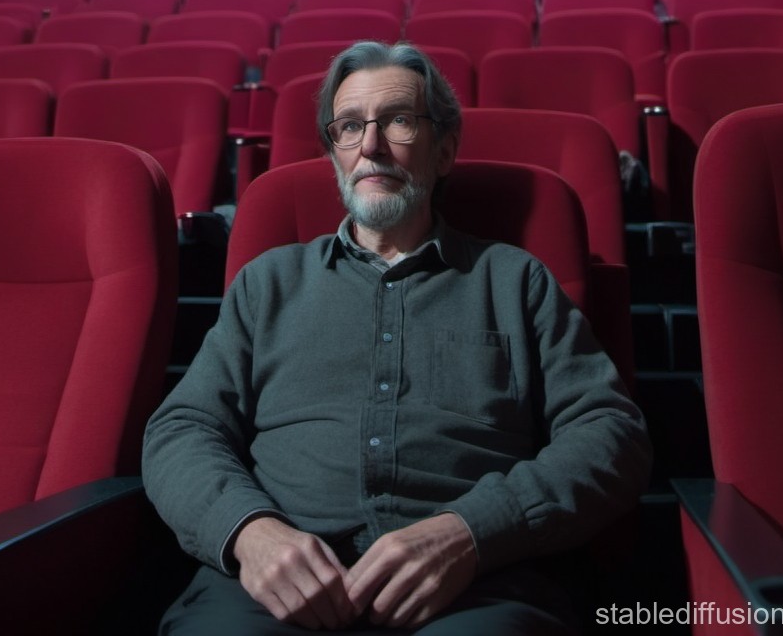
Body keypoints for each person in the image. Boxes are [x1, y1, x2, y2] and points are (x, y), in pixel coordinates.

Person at [142, 40, 651, 634]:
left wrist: (472, 531)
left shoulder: (516, 281)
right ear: (334, 153)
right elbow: (182, 429)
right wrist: (250, 532)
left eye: (399, 121)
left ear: (444, 150)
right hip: (272, 589)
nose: (371, 147)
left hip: (474, 589)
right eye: (350, 127)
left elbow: (611, 434)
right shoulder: (268, 284)